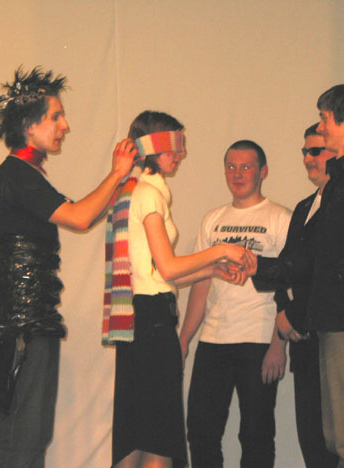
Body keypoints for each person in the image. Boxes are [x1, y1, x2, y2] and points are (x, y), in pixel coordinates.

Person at [0, 66, 137, 468]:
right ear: (29, 126)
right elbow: (80, 216)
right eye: (56, 116)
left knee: (30, 433)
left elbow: (83, 212)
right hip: (23, 324)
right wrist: (116, 174)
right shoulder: (15, 175)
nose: (65, 126)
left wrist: (119, 185)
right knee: (23, 434)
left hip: (32, 320)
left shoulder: (26, 175)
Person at [249, 84, 344, 468]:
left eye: (325, 118)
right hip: (335, 324)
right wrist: (257, 267)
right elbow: (314, 260)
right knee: (338, 438)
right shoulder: (340, 183)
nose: (321, 127)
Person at [105, 111, 249, 468]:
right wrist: (220, 250)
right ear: (152, 147)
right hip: (153, 322)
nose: (180, 153)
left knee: (137, 434)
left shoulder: (132, 191)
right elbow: (168, 268)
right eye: (173, 145)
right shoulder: (149, 195)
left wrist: (210, 269)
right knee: (159, 436)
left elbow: (156, 272)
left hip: (138, 320)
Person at [179, 140, 291, 468]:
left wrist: (278, 344)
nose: (237, 174)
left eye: (246, 167)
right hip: (213, 341)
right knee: (201, 432)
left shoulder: (280, 218)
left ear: (262, 172)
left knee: (256, 435)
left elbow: (288, 286)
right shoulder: (213, 219)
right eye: (231, 166)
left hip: (258, 340)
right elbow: (201, 285)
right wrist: (184, 339)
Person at [271, 123, 338, 468]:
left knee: (339, 445)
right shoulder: (304, 207)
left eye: (316, 151)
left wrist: (295, 317)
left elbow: (333, 274)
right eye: (305, 152)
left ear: (337, 152)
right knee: (311, 441)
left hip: (335, 342)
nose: (308, 159)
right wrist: (284, 313)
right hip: (304, 343)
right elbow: (288, 268)